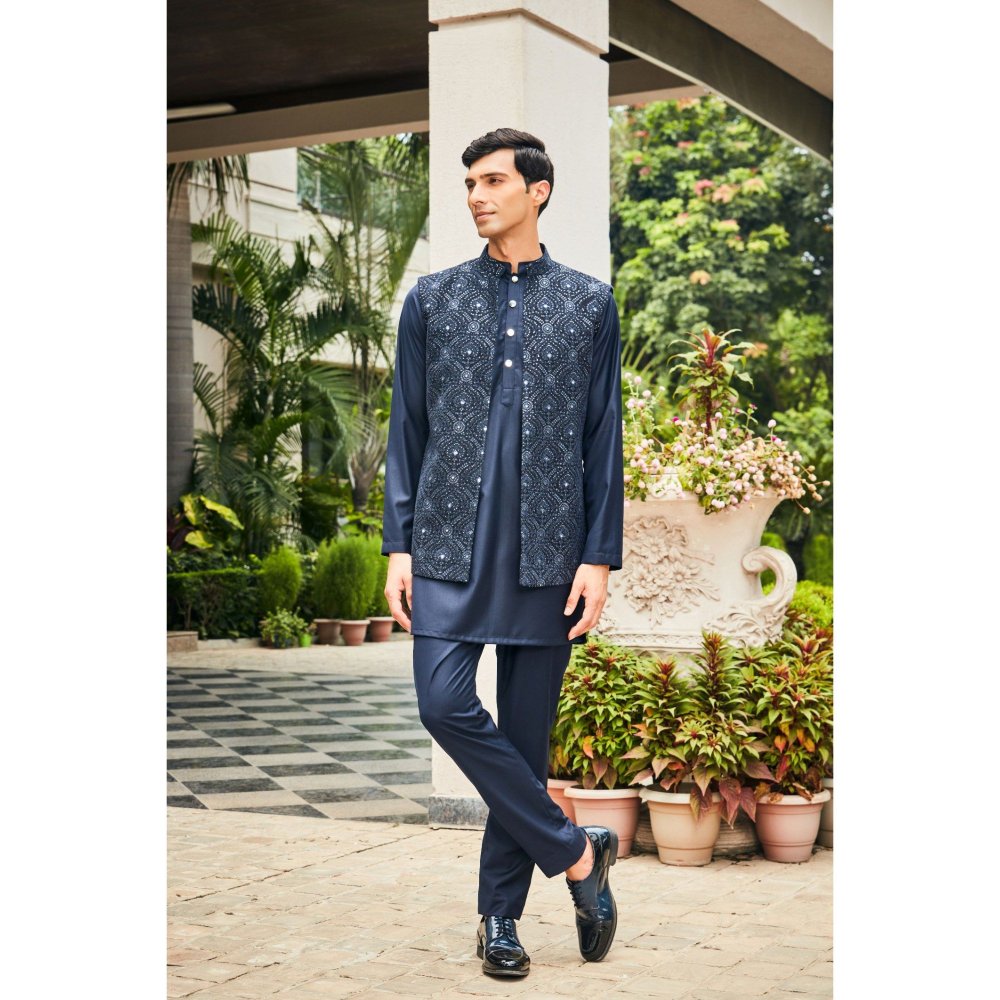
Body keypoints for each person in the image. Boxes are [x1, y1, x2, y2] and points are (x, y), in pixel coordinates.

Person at [381, 127, 624, 978]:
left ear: (537, 190)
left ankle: (500, 921)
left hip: (550, 555)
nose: (477, 196)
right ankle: (579, 852)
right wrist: (398, 544)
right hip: (446, 545)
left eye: (492, 181)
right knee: (443, 704)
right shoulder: (433, 299)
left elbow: (604, 435)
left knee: (523, 745)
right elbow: (406, 430)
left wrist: (598, 557)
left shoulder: (589, 303)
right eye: (470, 184)